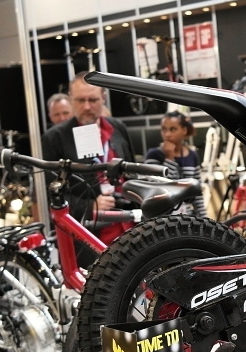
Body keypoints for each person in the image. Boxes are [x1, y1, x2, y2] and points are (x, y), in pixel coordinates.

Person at [41, 72, 135, 246]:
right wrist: (90, 205)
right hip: (87, 235)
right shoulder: (55, 138)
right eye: (80, 100)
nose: (86, 107)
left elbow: (131, 173)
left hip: (128, 228)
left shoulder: (117, 127)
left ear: (103, 98)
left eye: (92, 100)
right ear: (71, 99)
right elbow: (51, 192)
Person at [143, 110, 208, 217]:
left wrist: (204, 218)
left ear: (184, 130)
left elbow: (197, 194)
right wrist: (169, 158)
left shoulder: (192, 155)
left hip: (186, 217)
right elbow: (161, 189)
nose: (167, 134)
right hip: (162, 218)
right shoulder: (153, 155)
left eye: (173, 129)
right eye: (164, 129)